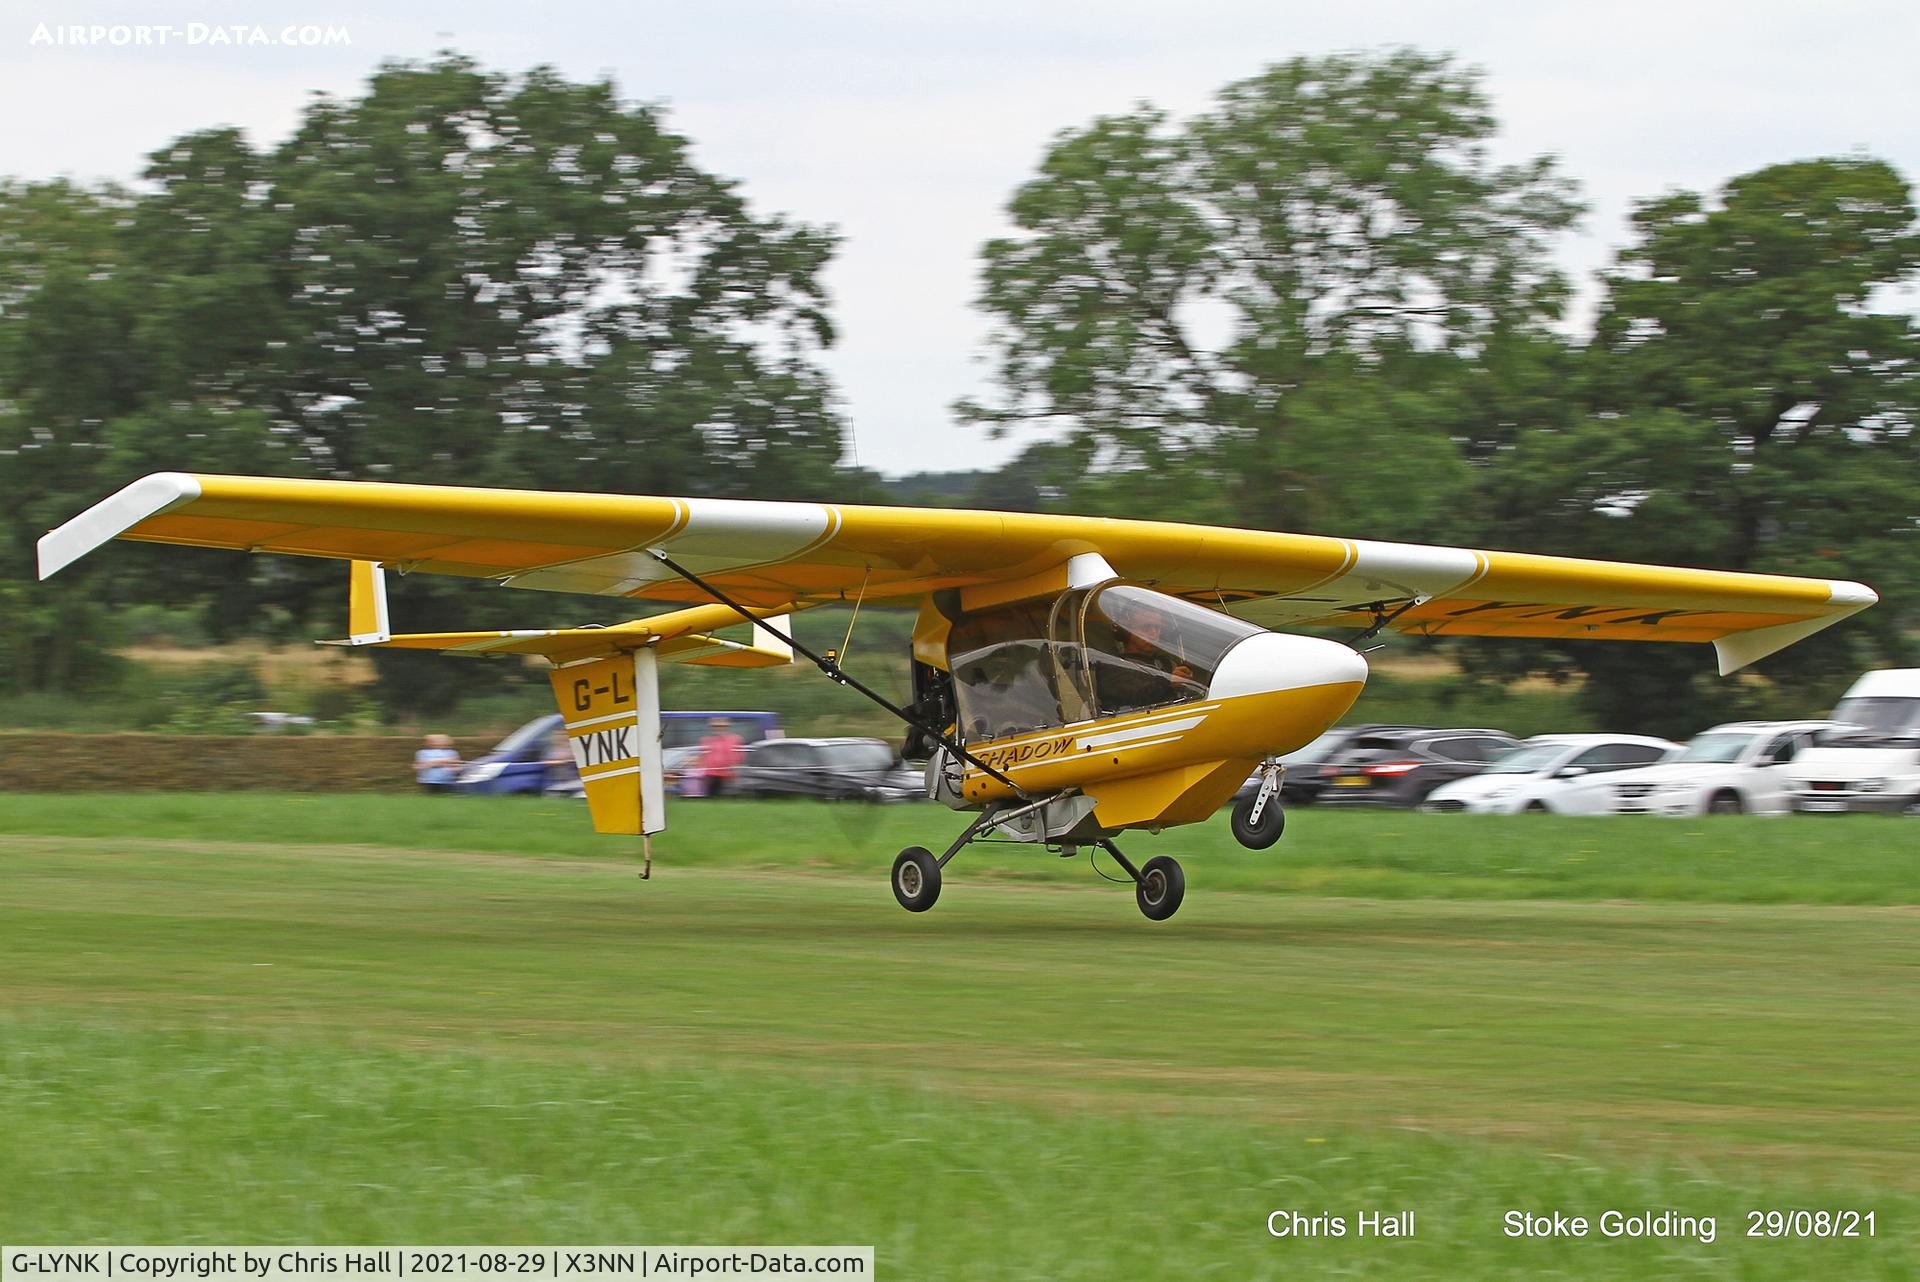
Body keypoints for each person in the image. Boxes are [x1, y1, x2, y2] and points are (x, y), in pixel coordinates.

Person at [697, 717, 745, 796]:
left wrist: (738, 770)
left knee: (728, 798)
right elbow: (702, 756)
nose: (718, 728)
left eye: (721, 726)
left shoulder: (736, 739)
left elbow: (741, 756)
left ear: (727, 727)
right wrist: (700, 770)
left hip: (729, 774)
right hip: (711, 774)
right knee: (711, 798)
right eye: (715, 726)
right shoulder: (706, 740)